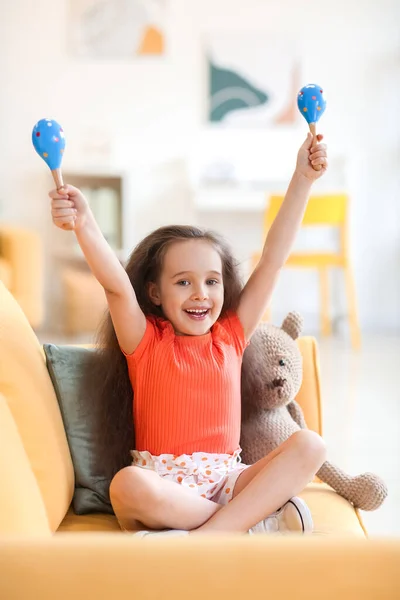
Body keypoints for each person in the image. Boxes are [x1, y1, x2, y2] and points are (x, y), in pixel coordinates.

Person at [50, 132, 328, 537]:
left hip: (227, 485)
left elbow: (272, 261)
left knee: (312, 445)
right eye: (183, 283)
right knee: (125, 485)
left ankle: (207, 536)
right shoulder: (145, 342)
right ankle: (242, 526)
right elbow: (114, 284)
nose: (201, 294)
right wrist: (84, 222)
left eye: (212, 282)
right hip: (161, 489)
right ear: (154, 293)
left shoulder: (231, 336)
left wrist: (302, 178)